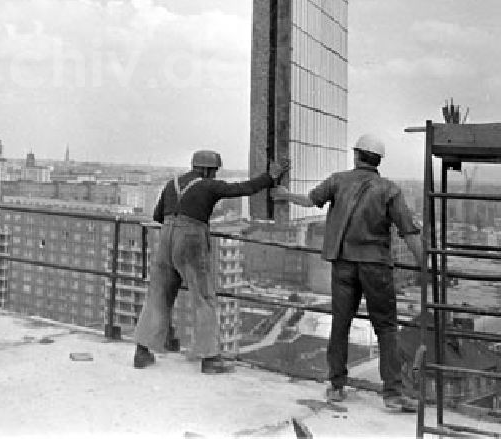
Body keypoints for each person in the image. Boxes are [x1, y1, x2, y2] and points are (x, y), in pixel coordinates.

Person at [272, 134, 422, 412]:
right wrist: (426, 267)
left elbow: (308, 201)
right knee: (386, 328)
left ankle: (337, 386)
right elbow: (410, 233)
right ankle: (392, 392)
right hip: (376, 266)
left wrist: (283, 195)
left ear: (356, 155)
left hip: (343, 263)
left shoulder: (338, 180)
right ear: (378, 161)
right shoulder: (389, 190)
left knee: (340, 324)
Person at [133, 150, 288, 374]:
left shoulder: (171, 184)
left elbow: (158, 215)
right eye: (214, 171)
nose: (214, 176)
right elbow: (242, 189)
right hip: (190, 238)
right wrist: (270, 177)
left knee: (158, 295)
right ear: (207, 170)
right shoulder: (207, 185)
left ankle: (142, 351)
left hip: (165, 237)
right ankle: (211, 359)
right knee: (203, 298)